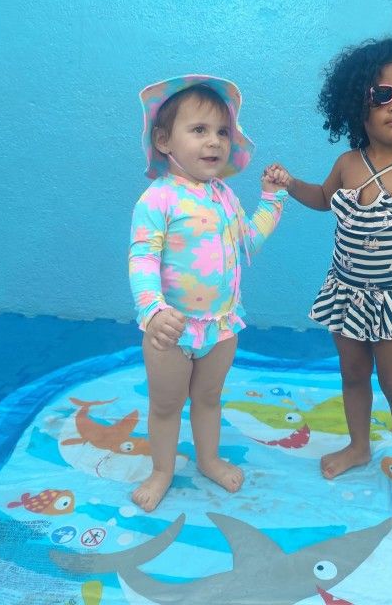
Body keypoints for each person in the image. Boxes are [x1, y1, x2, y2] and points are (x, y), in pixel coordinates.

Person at [264, 36, 392, 515]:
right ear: (357, 102)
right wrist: (290, 184)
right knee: (353, 374)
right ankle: (358, 446)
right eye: (382, 94)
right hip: (346, 294)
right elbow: (322, 199)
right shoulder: (347, 164)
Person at [128, 74, 286, 512]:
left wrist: (272, 199)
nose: (214, 141)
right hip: (170, 329)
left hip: (221, 323)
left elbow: (247, 242)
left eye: (222, 131)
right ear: (164, 140)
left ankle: (209, 459)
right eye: (199, 130)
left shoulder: (226, 196)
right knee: (166, 405)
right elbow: (142, 257)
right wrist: (153, 311)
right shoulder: (158, 199)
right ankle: (161, 470)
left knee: (209, 397)